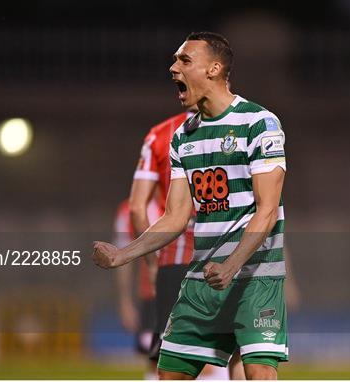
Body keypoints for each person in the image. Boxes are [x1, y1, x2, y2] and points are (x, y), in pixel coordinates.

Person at [93, 31, 287, 380]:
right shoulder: (184, 135)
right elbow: (176, 216)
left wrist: (231, 266)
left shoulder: (260, 123)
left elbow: (267, 210)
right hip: (203, 278)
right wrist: (124, 254)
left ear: (214, 69)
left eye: (184, 60)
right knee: (169, 374)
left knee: (257, 371)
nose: (173, 68)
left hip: (255, 278)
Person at [130, 110, 245, 380]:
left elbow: (137, 209)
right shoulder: (246, 126)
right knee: (236, 354)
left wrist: (151, 264)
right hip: (228, 257)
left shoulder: (160, 135)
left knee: (167, 358)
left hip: (175, 260)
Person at [114, 198, 161, 380]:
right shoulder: (130, 211)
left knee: (202, 363)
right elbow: (122, 259)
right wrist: (125, 302)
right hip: (153, 300)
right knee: (155, 364)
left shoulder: (191, 201)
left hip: (191, 296)